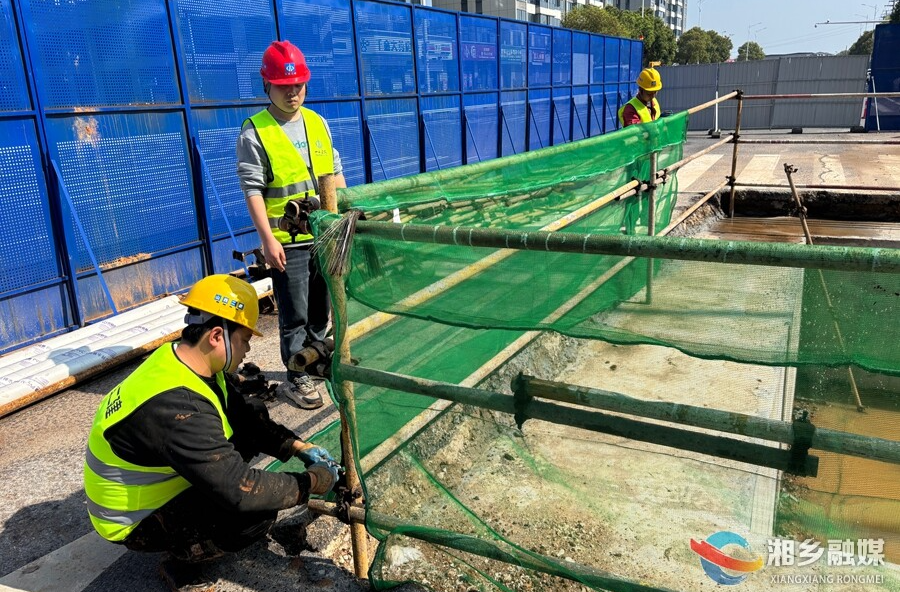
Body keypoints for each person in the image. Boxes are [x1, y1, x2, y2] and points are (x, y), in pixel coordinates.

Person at [83, 274, 340, 590]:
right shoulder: (177, 406)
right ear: (217, 335)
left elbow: (246, 419)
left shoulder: (181, 360)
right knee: (254, 513)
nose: (248, 348)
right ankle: (181, 559)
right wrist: (312, 482)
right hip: (133, 520)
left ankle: (190, 517)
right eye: (244, 338)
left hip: (157, 486)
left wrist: (298, 446)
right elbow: (241, 490)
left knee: (248, 415)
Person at [236, 40, 347, 410]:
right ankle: (297, 372)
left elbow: (335, 173)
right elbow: (252, 189)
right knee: (294, 312)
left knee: (321, 307)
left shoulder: (317, 122)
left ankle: (315, 358)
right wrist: (267, 239)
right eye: (284, 87)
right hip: (287, 239)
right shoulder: (255, 132)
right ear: (267, 85)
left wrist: (343, 219)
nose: (293, 93)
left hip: (324, 232)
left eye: (298, 85)